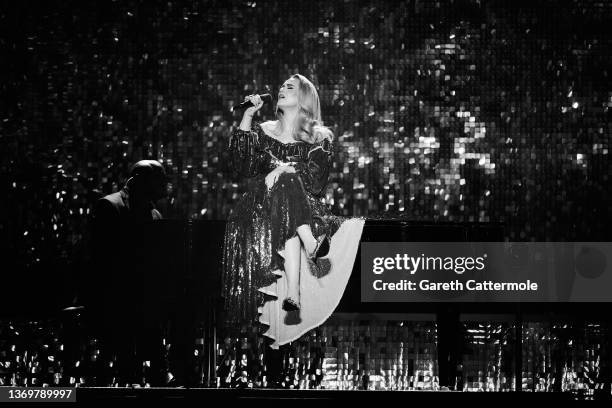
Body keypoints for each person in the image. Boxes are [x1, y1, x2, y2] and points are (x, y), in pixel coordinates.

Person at [222, 74, 365, 351]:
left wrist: (283, 169)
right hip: (262, 207)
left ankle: (294, 289)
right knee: (285, 185)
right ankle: (307, 255)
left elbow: (315, 182)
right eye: (281, 86)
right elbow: (242, 165)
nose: (280, 89)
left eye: (290, 87)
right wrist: (247, 116)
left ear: (305, 97)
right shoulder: (262, 130)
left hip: (302, 206)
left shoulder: (319, 137)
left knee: (288, 183)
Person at [90, 159, 168, 386]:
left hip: (142, 298)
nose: (164, 185)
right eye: (159, 180)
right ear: (138, 181)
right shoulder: (109, 206)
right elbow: (99, 259)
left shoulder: (154, 214)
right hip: (114, 298)